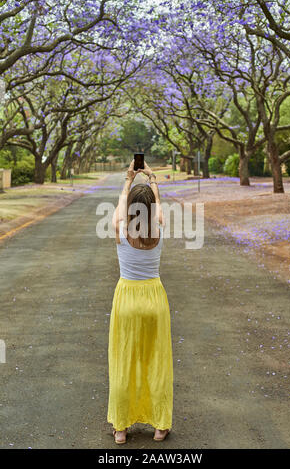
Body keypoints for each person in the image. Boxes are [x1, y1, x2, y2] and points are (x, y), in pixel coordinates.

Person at [107, 159, 173, 444]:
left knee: (123, 362)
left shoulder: (120, 230)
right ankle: (159, 427)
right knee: (157, 362)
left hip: (127, 299)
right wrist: (153, 180)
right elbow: (155, 209)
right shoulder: (158, 230)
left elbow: (122, 208)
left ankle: (121, 429)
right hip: (155, 299)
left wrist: (128, 181)